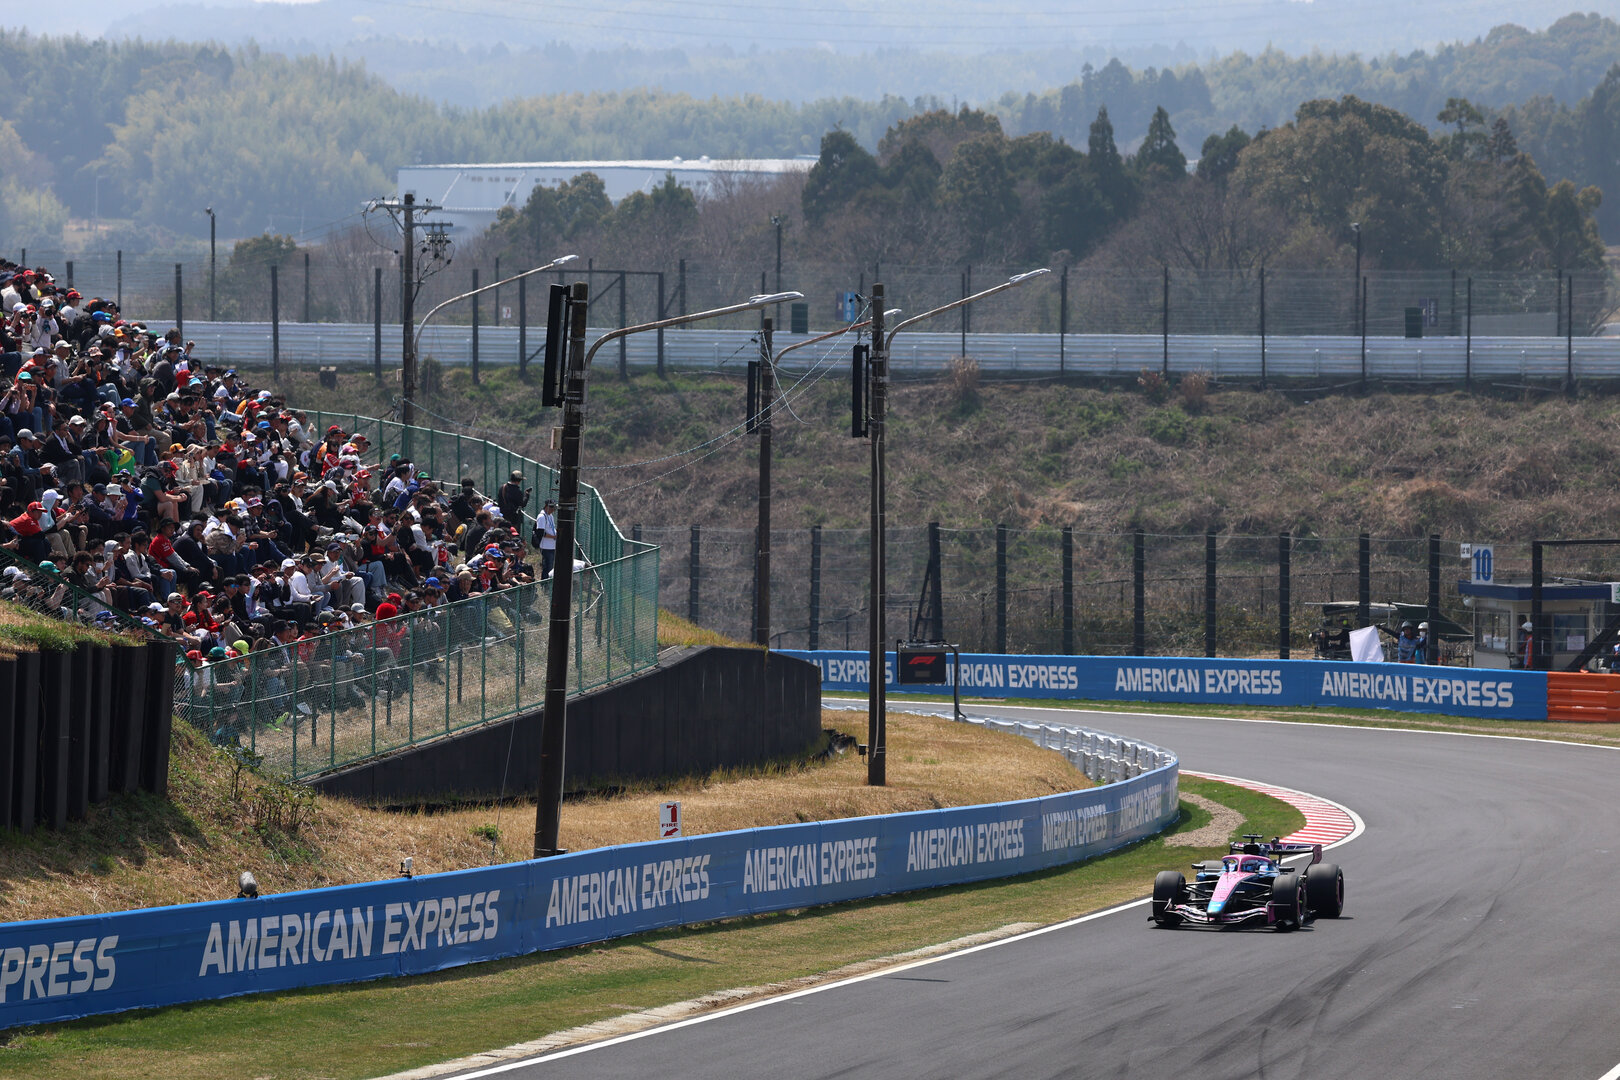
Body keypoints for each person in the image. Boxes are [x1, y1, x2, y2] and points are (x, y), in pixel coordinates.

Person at [533, 498, 558, 579]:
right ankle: (545, 584)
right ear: (546, 506)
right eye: (551, 508)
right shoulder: (542, 516)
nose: (552, 510)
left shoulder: (550, 516)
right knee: (547, 567)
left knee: (551, 567)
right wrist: (553, 537)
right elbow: (541, 532)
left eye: (554, 508)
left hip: (552, 545)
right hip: (546, 546)